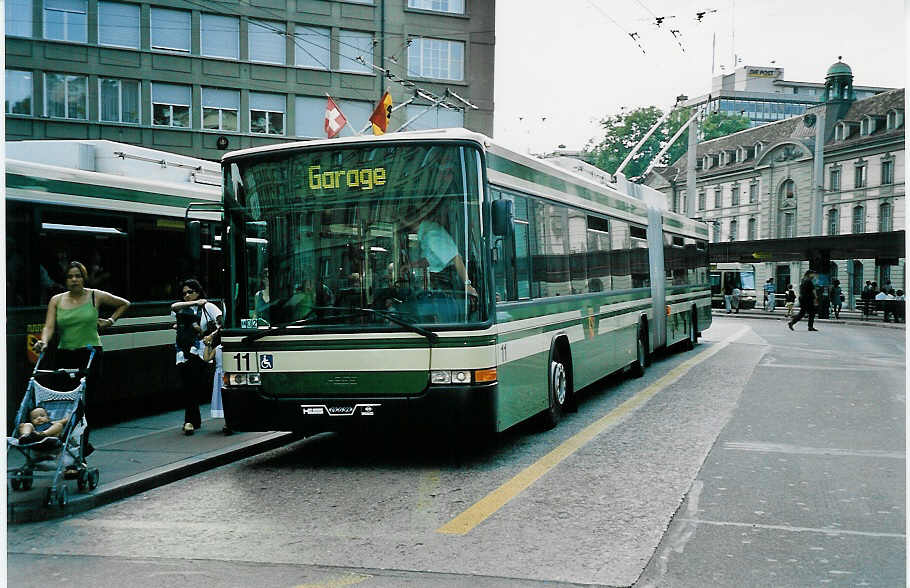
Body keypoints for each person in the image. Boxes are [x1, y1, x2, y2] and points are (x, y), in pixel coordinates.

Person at [32, 261, 130, 463]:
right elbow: (49, 326)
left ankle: (80, 450)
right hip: (64, 354)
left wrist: (110, 321)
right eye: (70, 276)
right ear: (65, 279)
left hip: (89, 354)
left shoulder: (95, 295)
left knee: (83, 405)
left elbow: (124, 303)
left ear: (84, 278)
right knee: (65, 403)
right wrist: (43, 341)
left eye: (78, 276)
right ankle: (67, 446)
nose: (74, 280)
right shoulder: (56, 300)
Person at [171, 279, 222, 435]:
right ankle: (194, 420)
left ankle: (190, 421)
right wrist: (193, 303)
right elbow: (174, 307)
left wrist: (212, 335)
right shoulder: (182, 308)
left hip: (199, 350)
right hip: (182, 351)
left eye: (190, 292)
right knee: (188, 384)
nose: (186, 295)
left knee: (192, 384)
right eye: (184, 293)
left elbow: (222, 322)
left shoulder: (208, 307)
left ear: (198, 292)